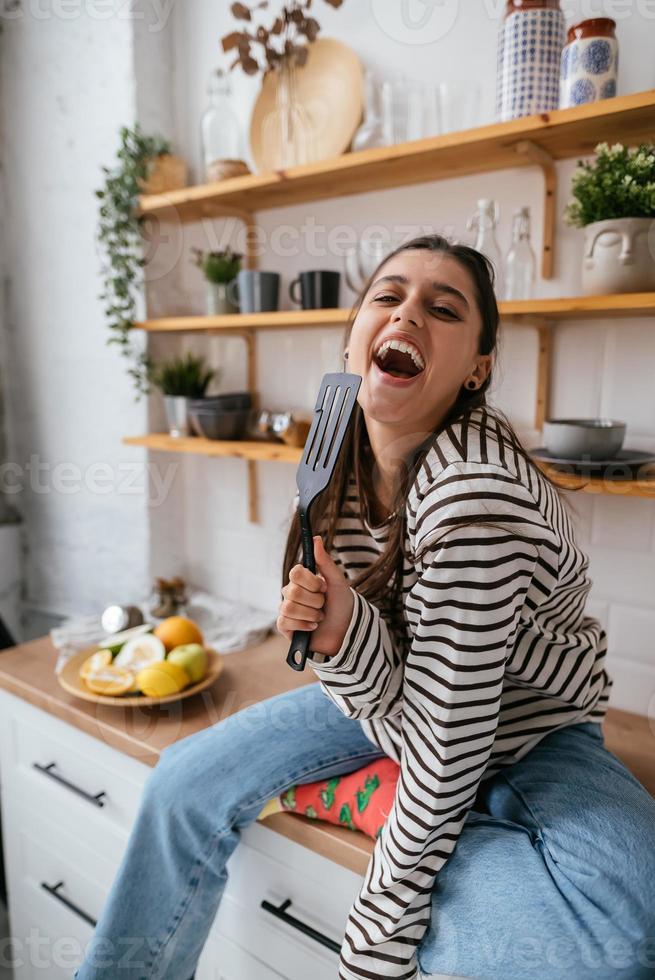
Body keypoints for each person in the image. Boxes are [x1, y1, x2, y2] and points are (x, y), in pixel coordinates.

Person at [75, 235, 655, 980]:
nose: (407, 315)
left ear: (478, 367)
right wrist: (345, 642)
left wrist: (374, 942)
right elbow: (383, 691)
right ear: (352, 339)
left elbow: (447, 750)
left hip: (526, 724)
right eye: (387, 296)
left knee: (619, 944)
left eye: (442, 309)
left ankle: (388, 801)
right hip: (409, 710)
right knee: (181, 782)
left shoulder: (475, 497)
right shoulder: (336, 459)